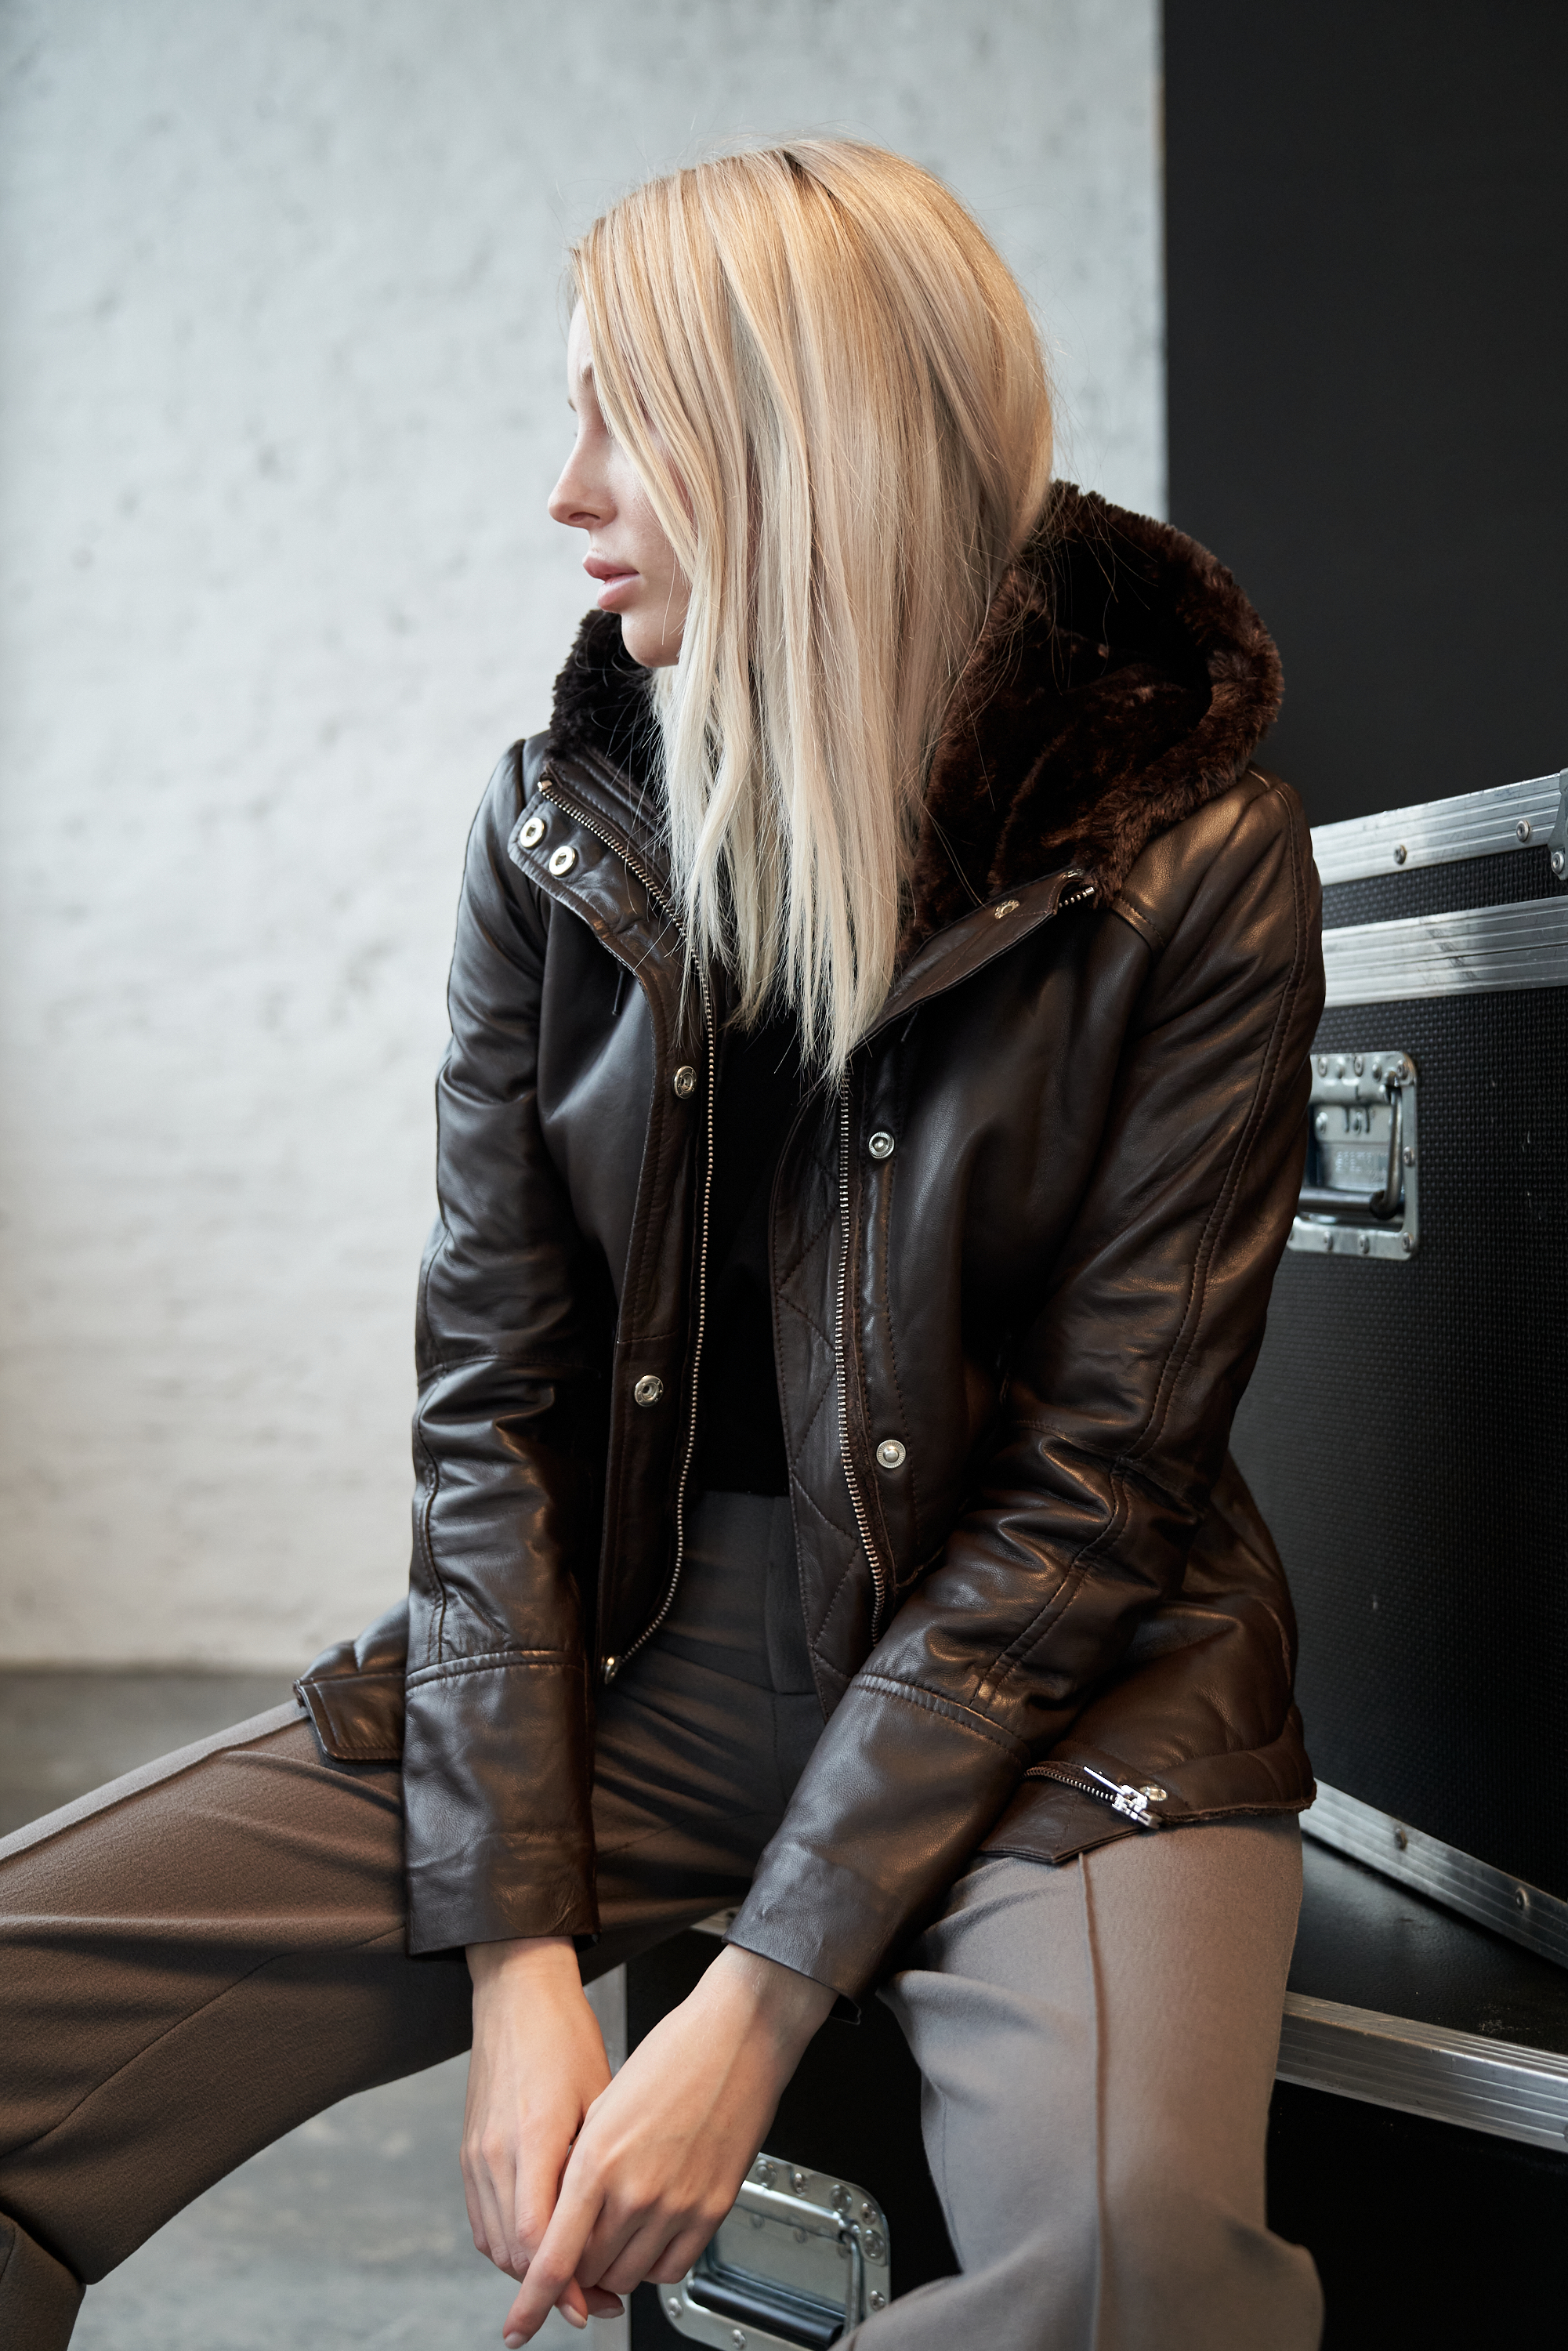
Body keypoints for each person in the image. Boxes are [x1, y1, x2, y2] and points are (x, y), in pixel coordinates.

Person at [0, 140, 1325, 2350]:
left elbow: (1102, 1483)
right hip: (628, 1651)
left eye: (624, 419)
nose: (566, 492)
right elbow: (492, 1410)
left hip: (1064, 1689)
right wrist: (518, 1954)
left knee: (1136, 2272)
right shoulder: (550, 830)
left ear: (804, 437)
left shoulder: (1199, 856)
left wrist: (757, 1998)